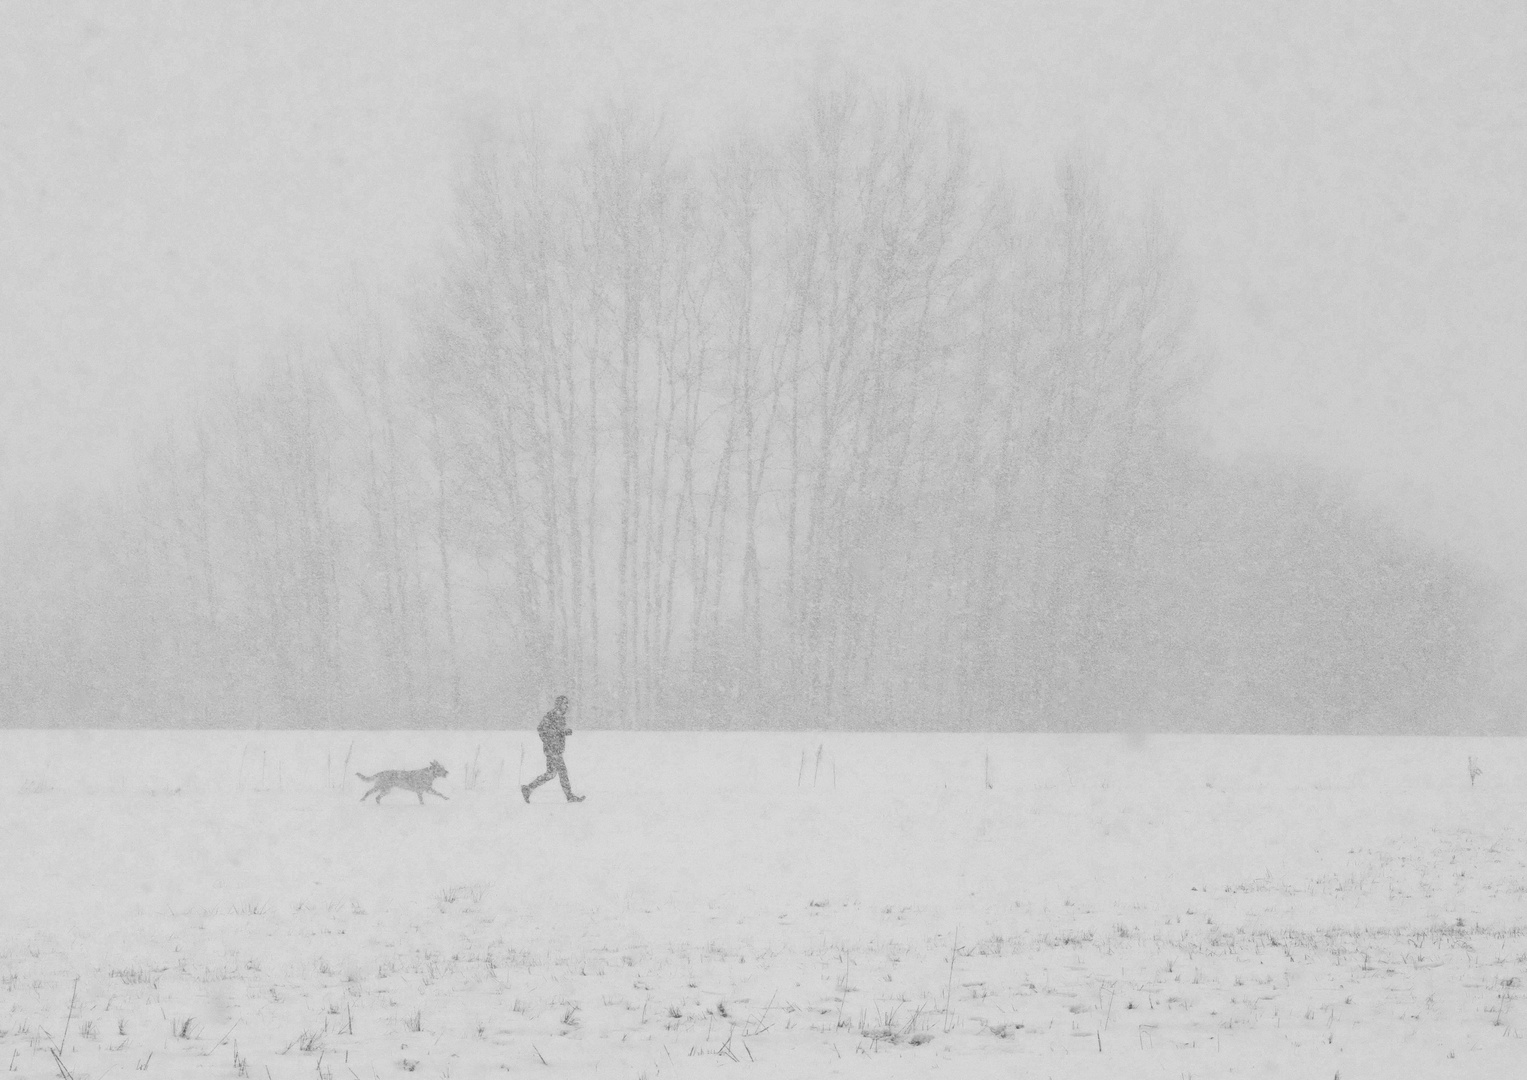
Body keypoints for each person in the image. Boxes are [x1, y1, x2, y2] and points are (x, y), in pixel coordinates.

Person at [522, 694, 585, 803]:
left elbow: (554, 730)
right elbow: (541, 729)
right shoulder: (552, 715)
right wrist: (554, 738)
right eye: (565, 703)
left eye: (567, 703)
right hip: (553, 750)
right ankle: (569, 796)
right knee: (562, 772)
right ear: (559, 704)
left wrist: (562, 732)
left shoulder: (560, 716)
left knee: (550, 774)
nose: (567, 706)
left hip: (555, 749)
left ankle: (528, 788)